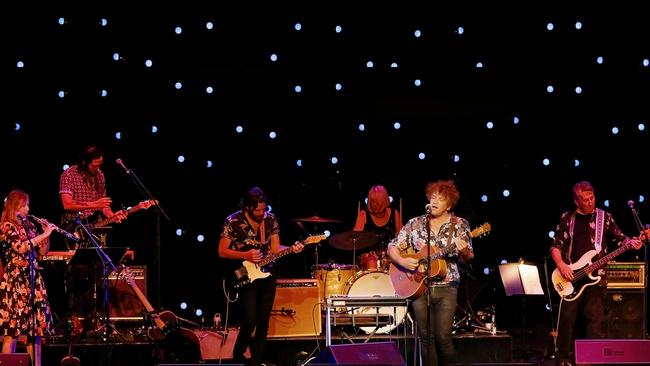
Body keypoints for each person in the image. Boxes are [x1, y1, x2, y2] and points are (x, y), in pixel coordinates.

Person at [550, 181, 642, 366]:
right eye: (586, 199)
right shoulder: (567, 218)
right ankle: (563, 359)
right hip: (571, 277)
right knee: (567, 320)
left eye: (592, 197)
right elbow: (555, 246)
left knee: (595, 320)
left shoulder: (605, 218)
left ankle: (590, 359)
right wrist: (561, 265)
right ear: (577, 202)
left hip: (597, 278)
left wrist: (632, 243)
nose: (591, 202)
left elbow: (620, 240)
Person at [387, 180, 474, 366]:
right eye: (433, 197)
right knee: (426, 338)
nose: (434, 202)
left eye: (440, 199)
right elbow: (392, 247)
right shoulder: (416, 224)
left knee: (443, 337)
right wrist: (402, 261)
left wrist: (464, 250)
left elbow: (468, 258)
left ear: (449, 205)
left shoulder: (459, 225)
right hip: (419, 287)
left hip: (447, 287)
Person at [218, 187, 304, 366]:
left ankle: (257, 361)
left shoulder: (270, 219)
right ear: (248, 208)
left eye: (264, 209)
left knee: (263, 321)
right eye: (258, 210)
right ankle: (238, 355)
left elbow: (274, 249)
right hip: (246, 275)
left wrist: (292, 249)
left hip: (267, 274)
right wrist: (246, 255)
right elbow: (222, 251)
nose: (262, 213)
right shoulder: (233, 220)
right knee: (250, 320)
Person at [0, 189, 56, 366]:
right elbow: (21, 247)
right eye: (25, 205)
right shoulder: (6, 226)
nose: (28, 209)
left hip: (32, 279)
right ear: (16, 206)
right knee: (13, 330)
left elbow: (41, 252)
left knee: (36, 329)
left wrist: (45, 233)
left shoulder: (29, 226)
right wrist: (44, 235)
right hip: (15, 281)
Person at [59, 145, 126, 247]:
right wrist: (94, 204)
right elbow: (67, 204)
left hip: (96, 228)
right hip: (75, 228)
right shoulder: (69, 174)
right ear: (84, 163)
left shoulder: (100, 175)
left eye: (100, 165)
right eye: (94, 166)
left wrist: (113, 216)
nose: (97, 169)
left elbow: (104, 205)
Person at [353, 185, 402, 270]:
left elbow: (402, 240)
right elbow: (355, 240)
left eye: (378, 202)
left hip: (390, 261)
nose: (374, 205)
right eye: (372, 201)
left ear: (384, 201)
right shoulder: (363, 214)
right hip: (369, 263)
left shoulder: (395, 214)